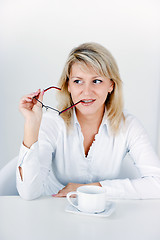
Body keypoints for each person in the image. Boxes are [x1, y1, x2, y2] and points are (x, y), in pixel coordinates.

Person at [17, 42, 160, 200]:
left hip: (102, 213)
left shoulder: (128, 125)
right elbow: (28, 193)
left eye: (97, 81)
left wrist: (88, 189)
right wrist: (32, 124)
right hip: (54, 208)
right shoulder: (52, 123)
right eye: (78, 81)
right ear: (68, 86)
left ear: (111, 85)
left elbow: (157, 184)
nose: (86, 91)